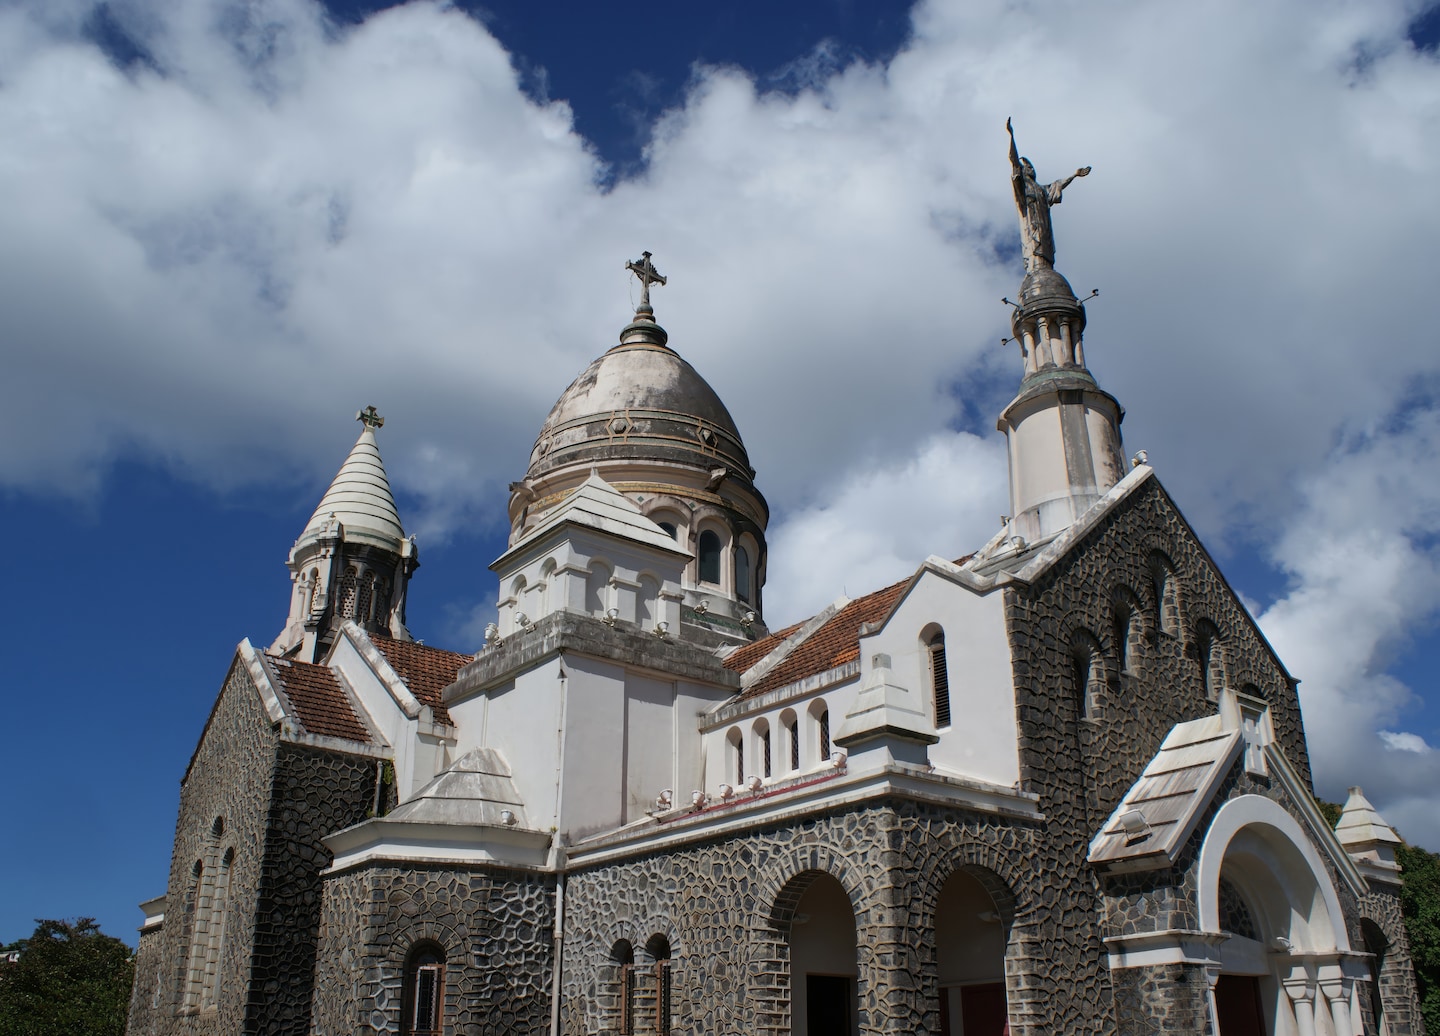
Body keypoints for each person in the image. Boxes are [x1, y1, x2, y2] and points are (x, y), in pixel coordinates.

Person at [1007, 117, 1089, 272]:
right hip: (1031, 225)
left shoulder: (1041, 189)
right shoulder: (1022, 188)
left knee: (1046, 246)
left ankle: (1045, 266)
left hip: (1044, 225)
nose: (1031, 169)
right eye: (1027, 168)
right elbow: (1013, 161)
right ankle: (1036, 267)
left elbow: (1057, 185)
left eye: (1032, 167)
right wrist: (1012, 136)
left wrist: (1074, 175)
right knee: (1035, 247)